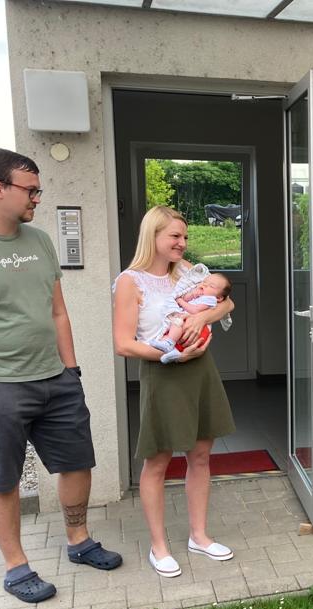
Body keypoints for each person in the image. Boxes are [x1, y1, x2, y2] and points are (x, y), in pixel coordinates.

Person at [0, 148, 122, 604]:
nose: (37, 197)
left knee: (77, 463)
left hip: (55, 379)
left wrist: (71, 371)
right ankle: (16, 567)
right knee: (4, 479)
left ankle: (79, 540)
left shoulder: (39, 241)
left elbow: (58, 312)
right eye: (30, 190)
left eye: (38, 190)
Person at [112, 205, 236, 578]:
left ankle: (199, 536)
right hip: (163, 372)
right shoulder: (130, 281)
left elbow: (227, 302)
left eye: (185, 236)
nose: (183, 243)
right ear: (153, 236)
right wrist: (172, 355)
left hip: (201, 370)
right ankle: (159, 547)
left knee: (201, 454)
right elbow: (123, 344)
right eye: (175, 236)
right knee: (158, 460)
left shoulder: (186, 271)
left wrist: (202, 317)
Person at [150, 270, 233, 364]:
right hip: (190, 327)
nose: (204, 285)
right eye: (204, 282)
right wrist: (193, 294)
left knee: (177, 322)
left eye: (211, 286)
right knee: (167, 333)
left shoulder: (210, 299)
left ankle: (169, 343)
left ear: (219, 298)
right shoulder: (199, 294)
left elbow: (195, 310)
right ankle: (174, 353)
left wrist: (180, 301)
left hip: (199, 331)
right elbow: (185, 298)